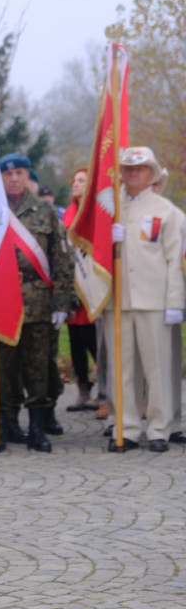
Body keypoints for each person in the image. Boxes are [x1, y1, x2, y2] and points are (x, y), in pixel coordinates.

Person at [0, 153, 74, 453]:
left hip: (38, 303)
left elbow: (61, 258)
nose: (14, 178)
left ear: (28, 176)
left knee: (37, 371)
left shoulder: (45, 210)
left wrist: (61, 303)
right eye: (7, 174)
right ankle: (0, 428)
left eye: (19, 172)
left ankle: (38, 429)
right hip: (0, 304)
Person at [103, 147, 185, 452]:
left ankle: (160, 428)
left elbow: (173, 260)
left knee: (158, 368)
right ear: (120, 174)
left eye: (140, 169)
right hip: (118, 300)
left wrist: (175, 302)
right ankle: (126, 428)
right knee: (121, 369)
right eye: (127, 169)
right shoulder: (110, 211)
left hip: (154, 300)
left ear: (151, 174)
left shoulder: (168, 212)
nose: (133, 174)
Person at [62, 167, 102, 412]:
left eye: (82, 181)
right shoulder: (68, 213)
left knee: (94, 341)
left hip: (91, 287)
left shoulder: (95, 213)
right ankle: (83, 391)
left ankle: (105, 390)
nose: (76, 184)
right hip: (72, 287)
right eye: (74, 180)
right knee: (76, 343)